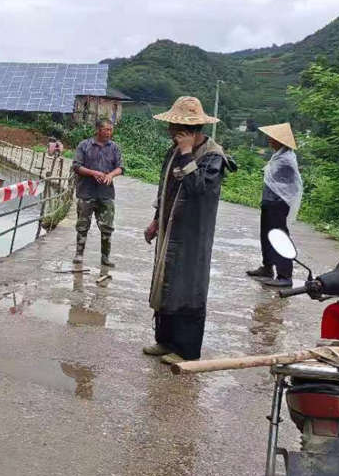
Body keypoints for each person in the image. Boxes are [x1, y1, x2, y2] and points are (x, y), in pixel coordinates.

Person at [143, 96, 237, 365]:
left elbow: (199, 190)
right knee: (166, 283)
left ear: (192, 130)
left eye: (176, 128)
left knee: (188, 287)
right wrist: (155, 221)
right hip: (170, 228)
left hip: (193, 235)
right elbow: (166, 189)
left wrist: (186, 154)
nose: (171, 132)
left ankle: (187, 350)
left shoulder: (212, 157)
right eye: (171, 127)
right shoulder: (172, 151)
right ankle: (165, 341)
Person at [246, 123, 303, 288]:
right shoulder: (279, 156)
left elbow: (287, 184)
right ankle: (267, 267)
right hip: (270, 202)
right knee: (266, 235)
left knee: (279, 237)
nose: (269, 140)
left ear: (281, 141)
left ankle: (285, 276)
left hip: (278, 204)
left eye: (273, 138)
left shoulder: (286, 159)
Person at [71, 118, 124, 268]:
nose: (109, 132)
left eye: (111, 130)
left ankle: (105, 257)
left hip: (106, 193)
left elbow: (120, 167)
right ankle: (79, 254)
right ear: (98, 130)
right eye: (106, 129)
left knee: (107, 227)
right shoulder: (84, 145)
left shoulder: (114, 147)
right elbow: (76, 166)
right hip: (86, 192)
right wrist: (93, 172)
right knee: (82, 225)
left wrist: (110, 175)